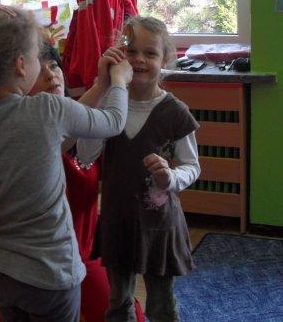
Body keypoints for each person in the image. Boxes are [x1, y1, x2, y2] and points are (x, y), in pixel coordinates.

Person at [0, 4, 132, 322]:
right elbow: (113, 121)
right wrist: (119, 81)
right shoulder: (47, 110)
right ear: (21, 65)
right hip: (50, 276)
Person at [77, 16, 201, 322]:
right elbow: (85, 155)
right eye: (131, 51)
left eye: (150, 53)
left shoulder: (175, 111)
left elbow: (191, 166)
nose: (140, 60)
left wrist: (170, 177)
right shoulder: (110, 104)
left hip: (159, 226)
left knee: (162, 304)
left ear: (165, 59)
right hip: (117, 221)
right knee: (119, 301)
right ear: (119, 55)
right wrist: (103, 92)